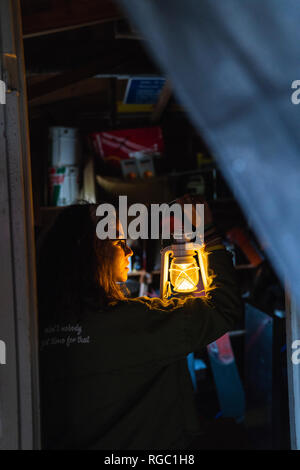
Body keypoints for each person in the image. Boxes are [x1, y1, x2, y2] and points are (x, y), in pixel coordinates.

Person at [37, 198, 243, 450]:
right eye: (118, 241)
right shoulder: (132, 322)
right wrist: (208, 233)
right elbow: (222, 308)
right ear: (88, 249)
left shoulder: (40, 325)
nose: (128, 251)